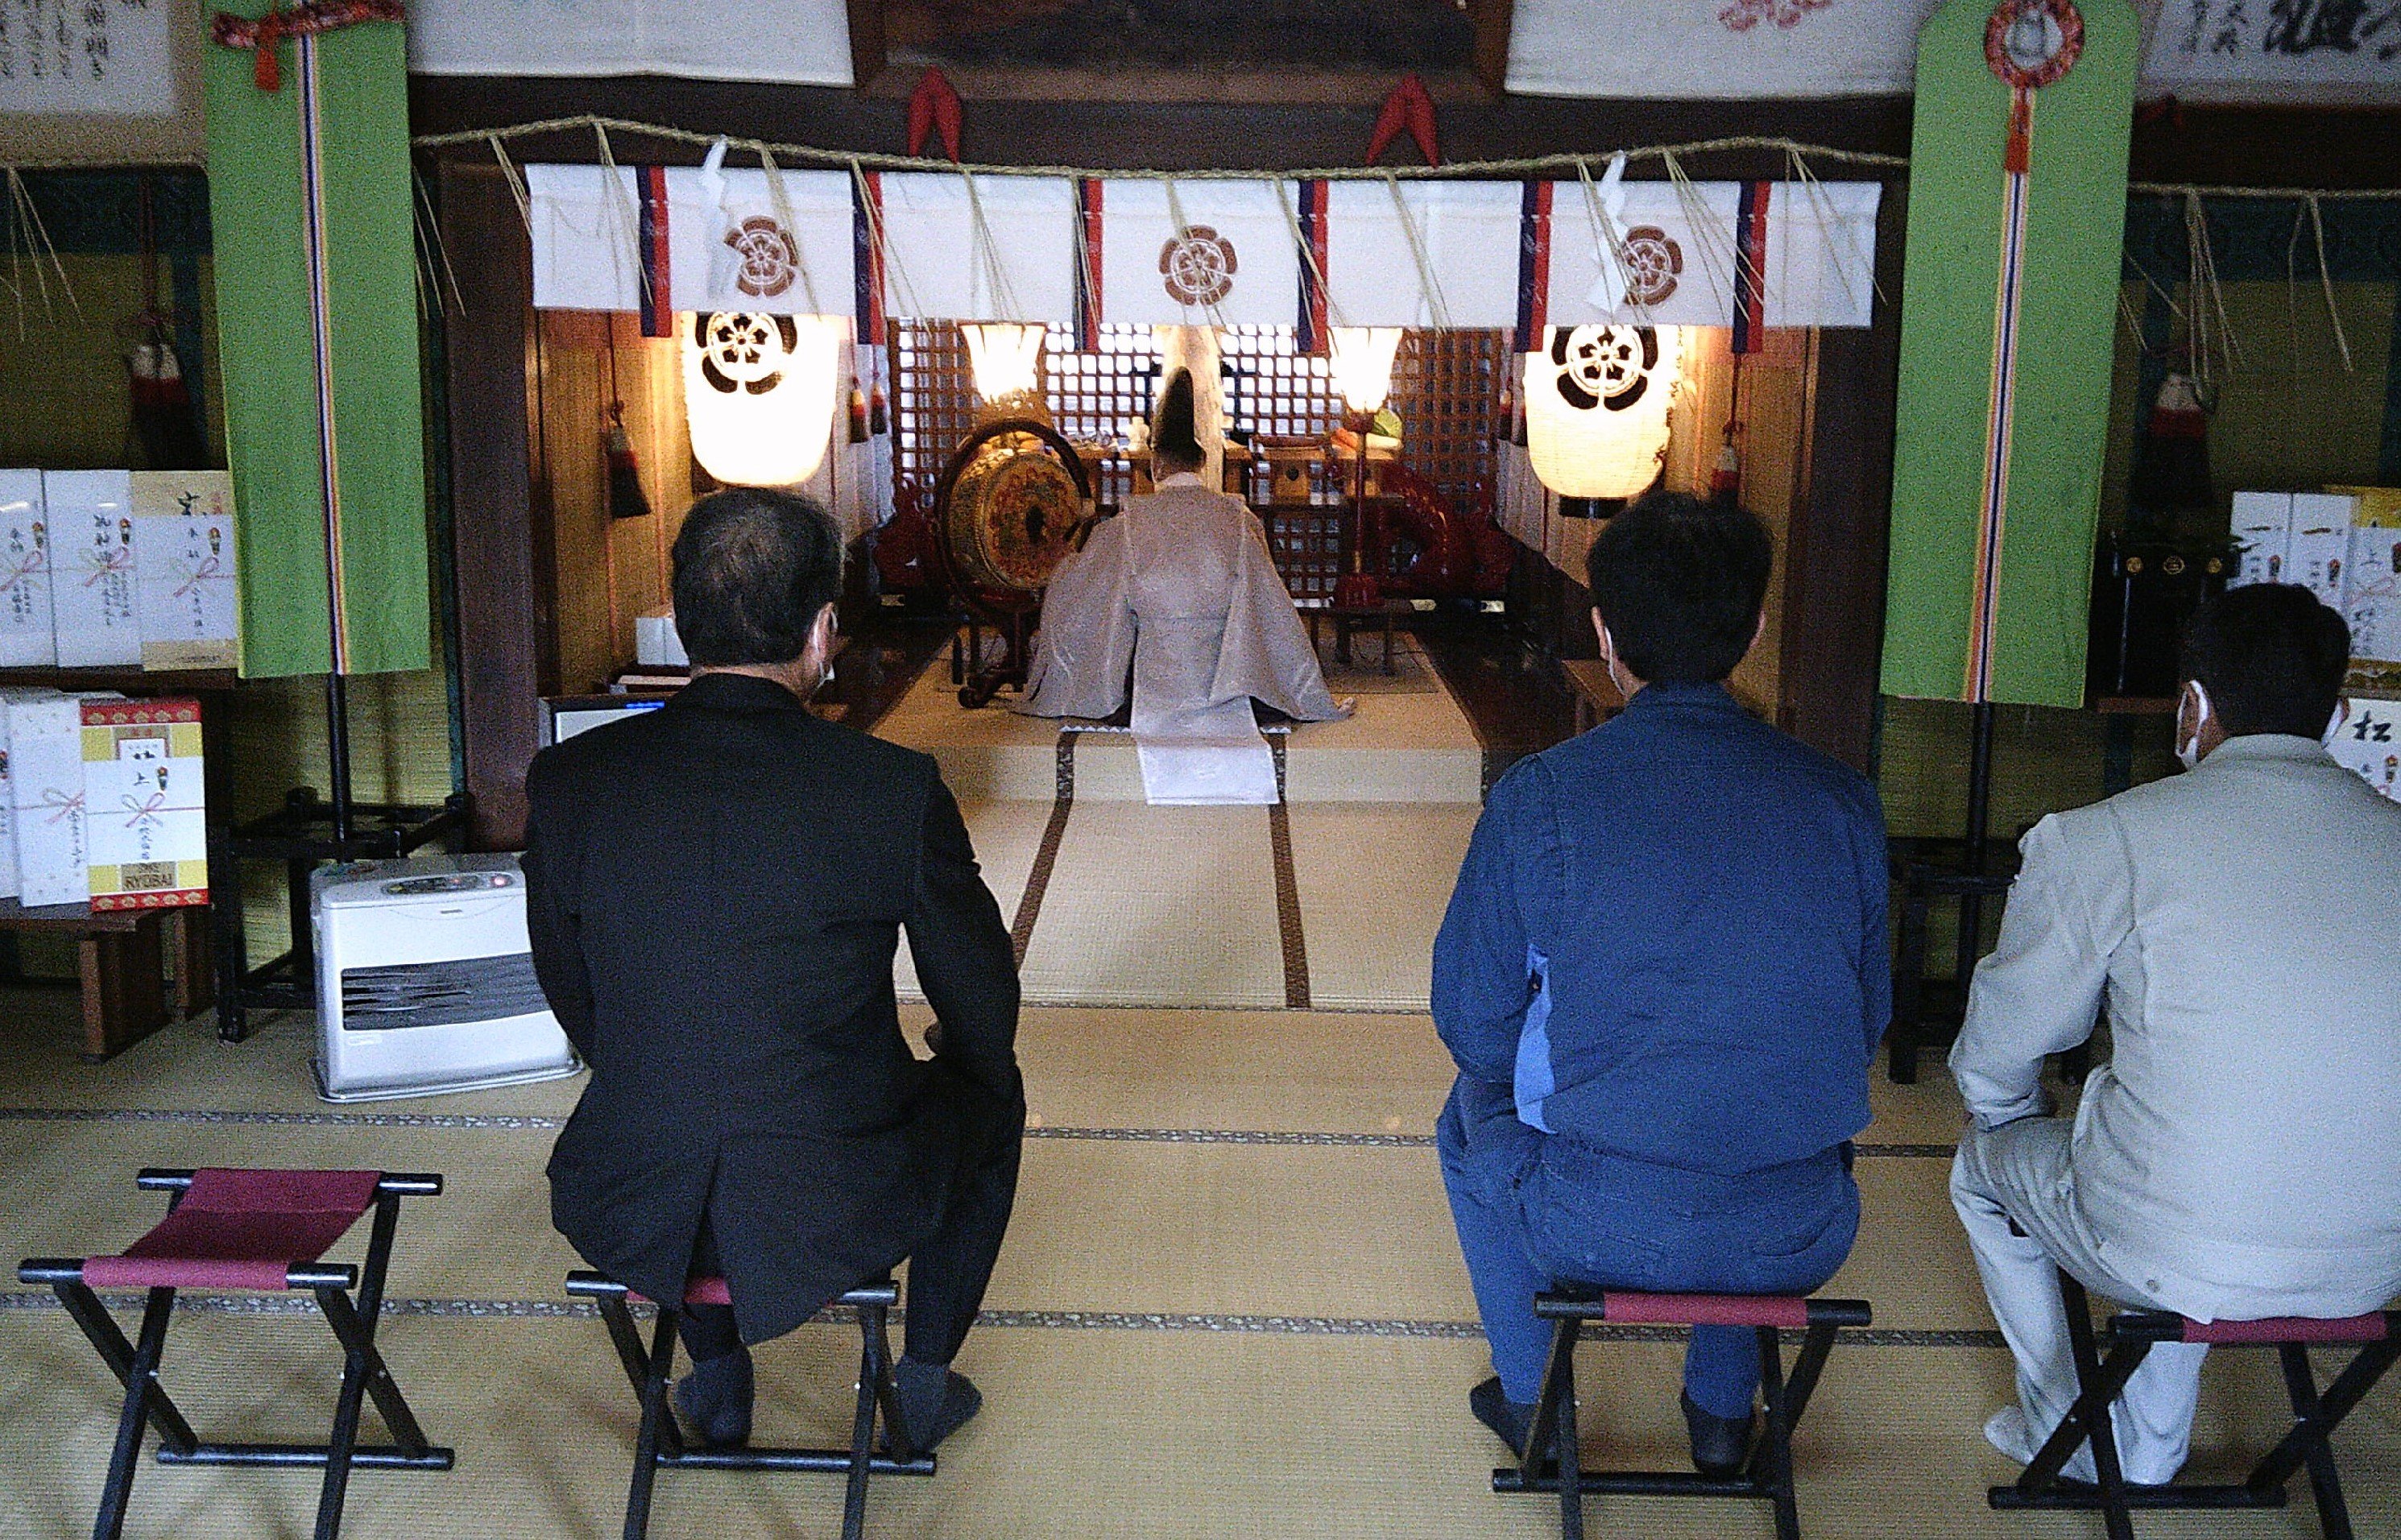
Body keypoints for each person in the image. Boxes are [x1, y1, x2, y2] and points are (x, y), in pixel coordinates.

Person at [524, 488, 1023, 1451]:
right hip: (835, 1193)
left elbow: (568, 986)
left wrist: (649, 1060)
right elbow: (979, 994)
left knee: (676, 1089)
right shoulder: (887, 788)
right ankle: (917, 1386)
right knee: (992, 1098)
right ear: (823, 630)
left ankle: (715, 1380)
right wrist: (965, 1060)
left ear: (676, 622)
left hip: (632, 1182)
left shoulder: (574, 781)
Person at [1433, 490, 1888, 1475]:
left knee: (1467, 1103)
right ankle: (1721, 1419)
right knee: (1750, 1090)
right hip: (1797, 1229)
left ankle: (1533, 1402)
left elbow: (1471, 1023)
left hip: (1591, 1220)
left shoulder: (1542, 795)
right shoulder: (1841, 804)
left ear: (1603, 633)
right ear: (1753, 628)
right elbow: (1860, 1027)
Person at [1950, 582, 2401, 1484]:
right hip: (2377, 1260)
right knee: (2163, 1143)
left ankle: (2077, 1431)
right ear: (2338, 713)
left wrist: (2006, 1116)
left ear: (2190, 705)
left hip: (2176, 1239)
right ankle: (2142, 1432)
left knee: (1992, 1166)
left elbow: (2006, 1039)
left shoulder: (2108, 836)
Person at [1016, 367, 1346, 732]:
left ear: (1156, 465)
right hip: (1228, 680)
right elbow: (1267, 606)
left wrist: (1064, 565)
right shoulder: (1239, 519)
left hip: (1148, 683)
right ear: (1203, 463)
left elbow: (1084, 597)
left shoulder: (1128, 524)